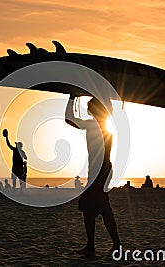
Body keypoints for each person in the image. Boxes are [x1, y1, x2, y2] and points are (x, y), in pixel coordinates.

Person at [65, 95, 121, 257]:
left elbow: (69, 119)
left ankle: (97, 246)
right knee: (100, 207)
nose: (88, 109)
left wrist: (72, 98)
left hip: (99, 172)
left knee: (92, 207)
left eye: (90, 107)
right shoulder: (106, 126)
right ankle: (113, 244)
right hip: (103, 170)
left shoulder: (94, 125)